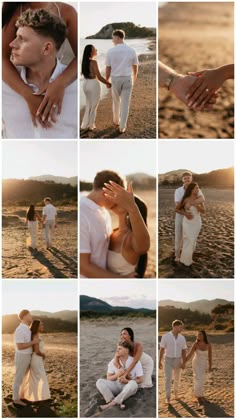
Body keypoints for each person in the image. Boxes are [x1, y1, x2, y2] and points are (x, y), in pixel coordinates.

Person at [2, 8, 77, 138]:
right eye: (15, 37)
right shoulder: (4, 87)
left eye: (22, 39)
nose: (12, 44)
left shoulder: (75, 89)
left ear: (47, 48)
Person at [80, 170, 126, 278]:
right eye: (117, 196)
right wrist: (122, 279)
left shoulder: (104, 212)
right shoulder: (82, 214)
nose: (118, 201)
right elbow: (83, 267)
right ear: (106, 193)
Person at [102, 181, 150, 278]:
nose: (116, 200)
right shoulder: (112, 232)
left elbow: (144, 247)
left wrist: (132, 207)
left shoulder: (131, 239)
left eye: (122, 200)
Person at [106, 29, 138, 133]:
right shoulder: (132, 50)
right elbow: (135, 66)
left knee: (116, 101)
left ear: (118, 37)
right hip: (127, 78)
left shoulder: (110, 51)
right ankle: (122, 126)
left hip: (115, 79)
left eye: (113, 38)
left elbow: (108, 68)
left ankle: (116, 121)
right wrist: (134, 77)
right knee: (125, 103)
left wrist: (107, 80)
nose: (112, 40)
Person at [96, 341, 143, 410]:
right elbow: (108, 378)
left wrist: (127, 381)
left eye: (120, 349)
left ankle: (110, 404)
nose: (117, 350)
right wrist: (117, 374)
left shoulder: (136, 362)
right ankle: (113, 401)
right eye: (117, 348)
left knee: (133, 384)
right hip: (116, 385)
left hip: (128, 386)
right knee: (99, 382)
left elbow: (140, 380)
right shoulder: (112, 362)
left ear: (127, 351)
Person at [174, 172, 204, 262]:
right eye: (185, 178)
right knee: (179, 235)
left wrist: (192, 203)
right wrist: (186, 212)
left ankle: (188, 255)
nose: (187, 179)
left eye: (188, 177)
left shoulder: (196, 189)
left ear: (191, 178)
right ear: (182, 179)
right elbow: (178, 205)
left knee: (191, 237)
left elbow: (202, 199)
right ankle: (177, 255)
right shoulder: (178, 190)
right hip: (181, 215)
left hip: (194, 218)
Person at [81, 44, 111, 131]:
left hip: (85, 84)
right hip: (93, 84)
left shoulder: (84, 62)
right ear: (91, 52)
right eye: (95, 49)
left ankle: (84, 125)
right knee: (94, 106)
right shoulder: (93, 62)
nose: (97, 50)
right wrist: (108, 83)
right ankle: (91, 125)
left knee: (88, 105)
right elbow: (99, 76)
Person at [20, 320, 51, 402]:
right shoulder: (35, 336)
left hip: (36, 359)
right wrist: (43, 355)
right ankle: (42, 397)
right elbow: (36, 351)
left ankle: (36, 397)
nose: (42, 326)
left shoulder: (33, 335)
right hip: (36, 358)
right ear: (37, 326)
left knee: (34, 378)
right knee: (41, 378)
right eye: (41, 325)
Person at [13, 310, 39, 407]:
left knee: (25, 378)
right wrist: (33, 342)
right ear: (24, 317)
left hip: (28, 355)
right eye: (29, 315)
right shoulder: (19, 329)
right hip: (22, 356)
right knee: (19, 377)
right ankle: (16, 399)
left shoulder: (27, 328)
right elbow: (19, 346)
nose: (31, 316)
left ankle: (21, 396)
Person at [159, 320, 187, 405]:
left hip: (178, 360)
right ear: (174, 327)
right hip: (168, 359)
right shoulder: (165, 336)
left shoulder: (182, 338)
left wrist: (183, 362)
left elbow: (184, 350)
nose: (182, 329)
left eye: (182, 327)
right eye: (180, 327)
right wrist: (159, 361)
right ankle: (168, 397)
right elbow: (162, 349)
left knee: (177, 378)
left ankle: (176, 394)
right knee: (168, 378)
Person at [186, 330, 212, 403]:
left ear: (204, 335)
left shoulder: (208, 345)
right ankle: (199, 396)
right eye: (198, 335)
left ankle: (198, 394)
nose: (199, 336)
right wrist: (184, 362)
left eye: (200, 334)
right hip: (196, 363)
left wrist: (210, 367)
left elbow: (210, 357)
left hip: (204, 363)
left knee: (202, 379)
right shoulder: (195, 344)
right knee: (198, 378)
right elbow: (190, 354)